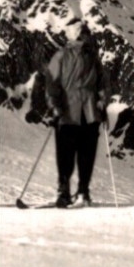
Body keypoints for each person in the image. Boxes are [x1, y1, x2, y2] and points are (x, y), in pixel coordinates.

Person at [42, 20, 110, 209]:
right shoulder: (65, 57)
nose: (86, 37)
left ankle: (77, 191)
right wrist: (55, 105)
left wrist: (102, 100)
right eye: (83, 33)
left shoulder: (85, 57)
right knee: (72, 153)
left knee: (80, 153)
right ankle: (73, 191)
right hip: (73, 111)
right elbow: (51, 84)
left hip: (82, 111)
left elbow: (102, 83)